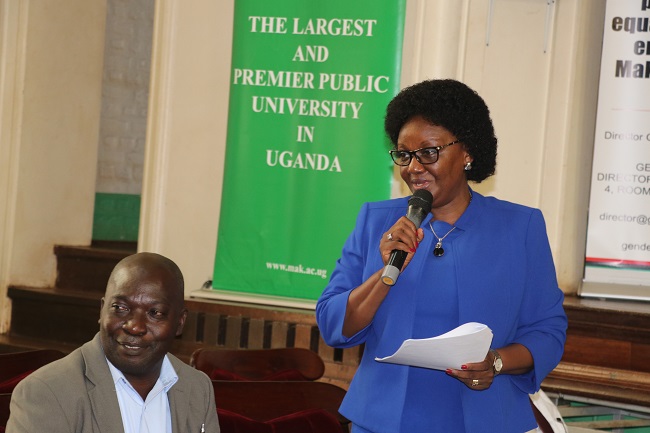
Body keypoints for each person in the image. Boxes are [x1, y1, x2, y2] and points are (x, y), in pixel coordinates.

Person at [316, 79, 567, 433]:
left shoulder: (519, 228)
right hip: (383, 421)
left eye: (429, 152)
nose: (413, 167)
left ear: (467, 152)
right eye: (404, 154)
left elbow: (547, 330)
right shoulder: (376, 221)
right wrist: (384, 272)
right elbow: (332, 326)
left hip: (485, 419)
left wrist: (495, 362)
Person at [6, 252, 220, 433]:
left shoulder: (197, 388)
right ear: (102, 310)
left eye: (155, 312)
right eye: (120, 308)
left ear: (180, 323)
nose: (134, 326)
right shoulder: (47, 392)